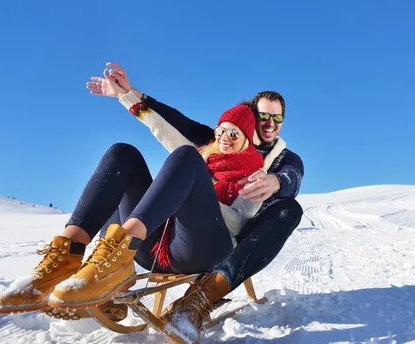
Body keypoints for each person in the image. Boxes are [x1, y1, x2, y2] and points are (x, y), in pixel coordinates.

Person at [0, 77, 266, 326]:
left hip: (208, 250)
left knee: (186, 157)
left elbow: (238, 223)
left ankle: (121, 249)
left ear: (247, 138)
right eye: (220, 130)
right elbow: (160, 127)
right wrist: (125, 95)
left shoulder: (255, 174)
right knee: (123, 153)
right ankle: (68, 254)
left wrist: (193, 191)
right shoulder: (204, 155)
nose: (224, 138)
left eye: (233, 133)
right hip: (158, 248)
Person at [93, 63, 305, 343]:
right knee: (128, 169)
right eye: (263, 115)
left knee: (288, 209)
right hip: (182, 230)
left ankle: (204, 296)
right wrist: (130, 93)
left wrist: (276, 182)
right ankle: (104, 271)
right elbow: (175, 122)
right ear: (250, 117)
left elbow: (293, 175)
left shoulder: (282, 159)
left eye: (277, 118)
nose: (270, 123)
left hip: (227, 240)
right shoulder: (216, 142)